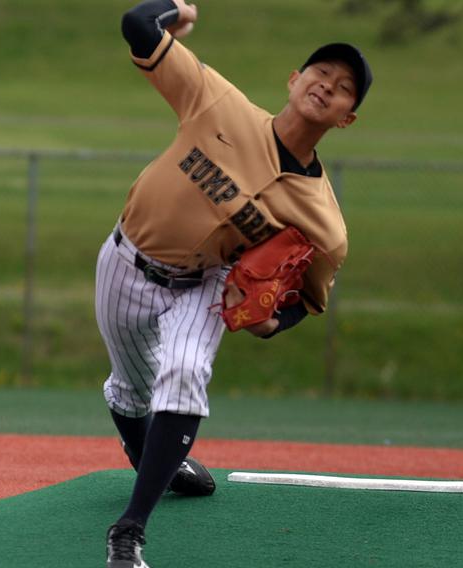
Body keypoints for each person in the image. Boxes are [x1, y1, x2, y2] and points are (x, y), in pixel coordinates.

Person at [96, 1, 372, 566]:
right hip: (125, 262)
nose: (328, 85)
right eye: (320, 72)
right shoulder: (217, 101)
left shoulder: (325, 223)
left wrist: (274, 321)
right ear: (294, 80)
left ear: (347, 118)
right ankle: (158, 459)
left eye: (344, 88)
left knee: (186, 372)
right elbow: (136, 27)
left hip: (204, 285)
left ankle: (130, 529)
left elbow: (308, 300)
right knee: (129, 390)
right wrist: (177, 10)